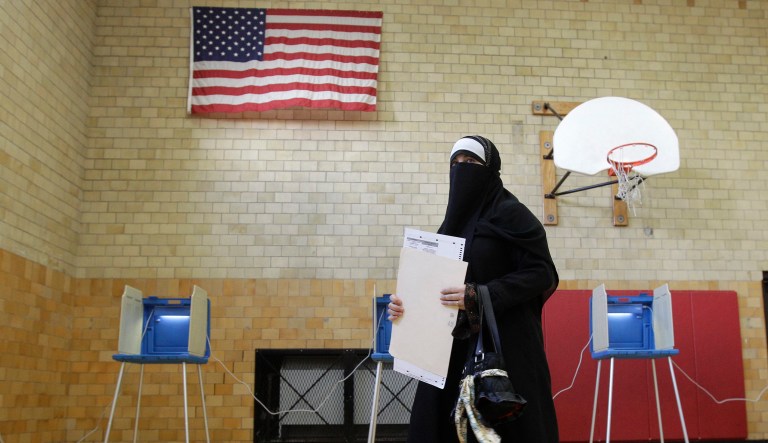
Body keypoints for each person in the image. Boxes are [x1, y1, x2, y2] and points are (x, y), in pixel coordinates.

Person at [388, 135, 559, 442]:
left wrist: (483, 294)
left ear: (490, 169)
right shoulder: (449, 229)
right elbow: (434, 289)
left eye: (471, 162)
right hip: (449, 351)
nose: (461, 169)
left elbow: (542, 272)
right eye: (455, 163)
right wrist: (406, 307)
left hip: (503, 347)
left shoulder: (512, 214)